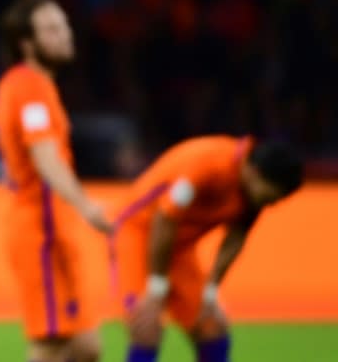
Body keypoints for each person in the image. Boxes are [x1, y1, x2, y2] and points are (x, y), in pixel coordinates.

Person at [0, 0, 112, 362]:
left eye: (65, 26)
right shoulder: (28, 88)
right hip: (40, 229)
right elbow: (45, 158)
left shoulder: (36, 86)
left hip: (56, 226)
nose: (65, 34)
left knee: (86, 347)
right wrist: (87, 206)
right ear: (27, 43)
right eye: (53, 29)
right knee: (52, 342)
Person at [109, 135, 302, 362]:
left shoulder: (252, 193)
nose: (271, 204)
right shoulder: (208, 164)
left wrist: (211, 293)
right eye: (271, 196)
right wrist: (156, 289)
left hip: (177, 247)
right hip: (136, 232)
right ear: (255, 172)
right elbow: (165, 219)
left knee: (212, 328)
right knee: (147, 327)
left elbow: (236, 237)